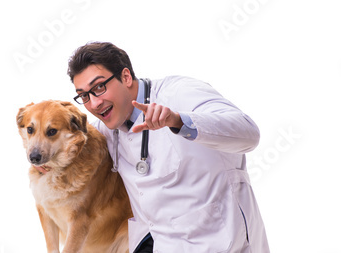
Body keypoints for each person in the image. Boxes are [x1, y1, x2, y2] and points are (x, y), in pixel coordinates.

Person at [67, 42, 268, 252]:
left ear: (126, 77)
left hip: (221, 241)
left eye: (99, 87)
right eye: (84, 95)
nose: (94, 104)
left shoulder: (179, 93)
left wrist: (179, 121)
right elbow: (69, 145)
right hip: (162, 244)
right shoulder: (107, 128)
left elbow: (249, 133)